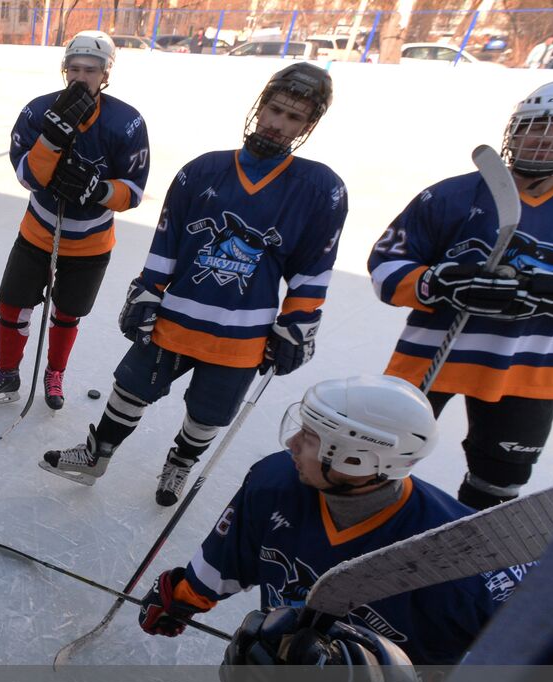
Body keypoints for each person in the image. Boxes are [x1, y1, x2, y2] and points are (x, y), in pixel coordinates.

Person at [42, 63, 347, 506]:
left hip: (244, 334)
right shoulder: (202, 171)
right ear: (259, 106)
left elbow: (313, 267)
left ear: (309, 125)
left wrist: (299, 320)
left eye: (294, 117)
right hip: (176, 316)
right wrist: (148, 289)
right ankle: (95, 455)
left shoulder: (320, 189)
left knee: (208, 413)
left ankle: (179, 464)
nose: (278, 124)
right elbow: (167, 240)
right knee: (130, 387)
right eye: (274, 109)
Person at [369, 80, 553, 509]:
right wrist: (436, 282)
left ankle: (460, 567)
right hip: (427, 359)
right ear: (514, 129)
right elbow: (386, 264)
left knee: (497, 485)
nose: (548, 138)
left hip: (528, 369)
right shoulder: (452, 194)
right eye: (537, 125)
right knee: (370, 463)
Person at [137, 375, 515, 667]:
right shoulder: (275, 482)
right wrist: (185, 596)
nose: (292, 444)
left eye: (311, 436)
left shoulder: (462, 559)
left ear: (357, 459)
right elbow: (232, 553)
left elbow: (519, 680)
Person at [0, 30, 150, 410]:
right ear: (65, 70)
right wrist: (51, 141)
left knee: (66, 314)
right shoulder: (38, 112)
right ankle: (7, 373)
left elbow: (133, 192)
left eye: (91, 70)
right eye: (75, 68)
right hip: (37, 234)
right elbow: (28, 178)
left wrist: (96, 189)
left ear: (106, 73)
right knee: (12, 307)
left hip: (90, 245)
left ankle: (55, 374)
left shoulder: (127, 122)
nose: (81, 77)